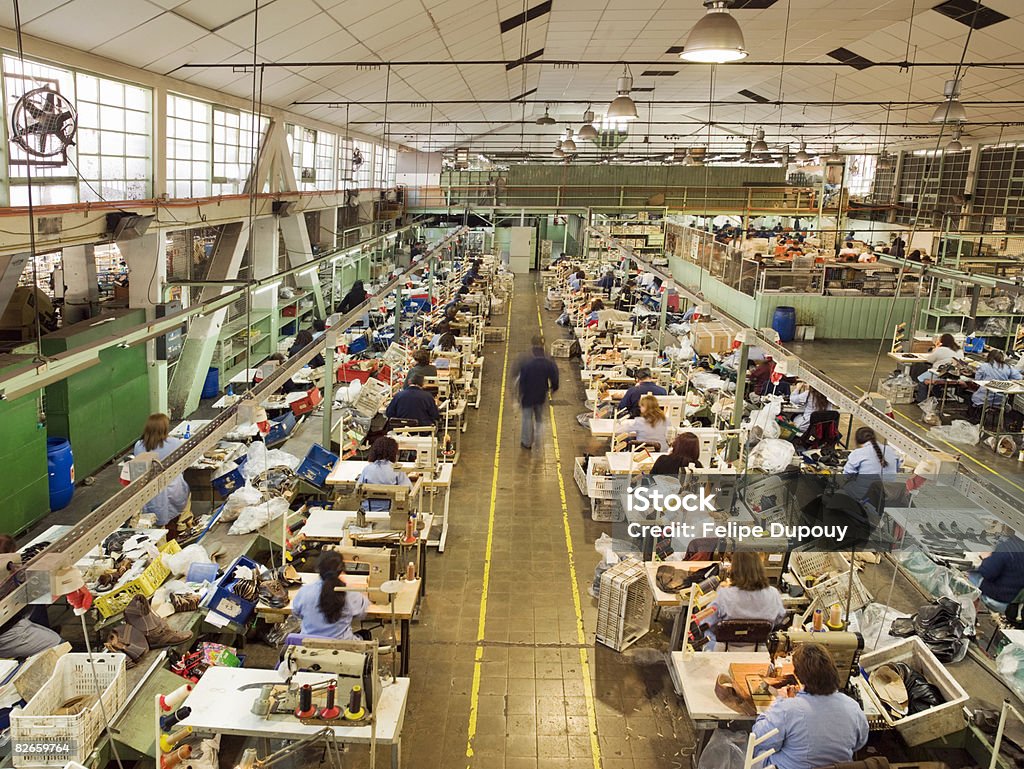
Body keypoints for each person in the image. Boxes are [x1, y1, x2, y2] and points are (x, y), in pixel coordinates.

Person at [751, 643, 869, 769]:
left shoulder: (788, 709)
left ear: (799, 676)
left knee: (756, 753)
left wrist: (779, 702)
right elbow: (859, 743)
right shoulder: (853, 707)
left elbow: (759, 739)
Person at [704, 552, 786, 650]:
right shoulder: (773, 594)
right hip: (759, 651)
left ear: (735, 569)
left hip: (725, 651)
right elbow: (779, 618)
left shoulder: (724, 595)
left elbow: (705, 622)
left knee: (707, 632)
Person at [0, 535, 62, 658]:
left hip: (13, 622)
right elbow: (42, 595)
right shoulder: (6, 578)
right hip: (6, 631)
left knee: (35, 601)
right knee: (59, 645)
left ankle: (41, 632)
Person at [134, 414, 191, 541]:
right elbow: (184, 465)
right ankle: (182, 524)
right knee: (186, 490)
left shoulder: (139, 445)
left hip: (147, 492)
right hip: (172, 488)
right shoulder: (175, 443)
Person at [292, 550, 370, 641]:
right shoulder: (349, 593)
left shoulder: (305, 592)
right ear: (342, 570)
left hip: (308, 647)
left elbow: (296, 613)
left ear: (318, 569)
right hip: (341, 649)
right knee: (365, 635)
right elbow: (362, 613)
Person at [515, 335, 559, 450]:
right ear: (543, 344)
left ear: (532, 344)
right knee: (539, 418)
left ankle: (527, 442)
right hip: (541, 394)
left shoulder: (526, 359)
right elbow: (554, 375)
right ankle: (539, 441)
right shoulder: (548, 360)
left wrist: (520, 393)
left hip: (528, 395)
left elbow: (522, 379)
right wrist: (554, 388)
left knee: (527, 419)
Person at [843, 426, 900, 503]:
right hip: (888, 494)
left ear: (857, 440)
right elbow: (897, 468)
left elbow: (847, 475)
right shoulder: (891, 450)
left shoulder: (858, 453)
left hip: (864, 496)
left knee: (841, 486)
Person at [968, 537, 1024, 612]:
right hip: (1016, 603)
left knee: (969, 574)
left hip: (997, 600)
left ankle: (970, 612)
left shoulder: (1006, 547)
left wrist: (986, 558)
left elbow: (987, 573)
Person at [356, 437, 412, 512]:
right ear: (393, 452)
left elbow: (357, 490)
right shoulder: (397, 471)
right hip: (391, 512)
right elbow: (409, 490)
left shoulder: (367, 469)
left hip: (367, 511)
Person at [916, 334, 964, 401]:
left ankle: (921, 400)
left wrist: (935, 348)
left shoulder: (941, 349)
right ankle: (936, 394)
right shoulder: (959, 350)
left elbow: (930, 360)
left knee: (921, 379)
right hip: (955, 375)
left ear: (942, 341)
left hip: (941, 374)